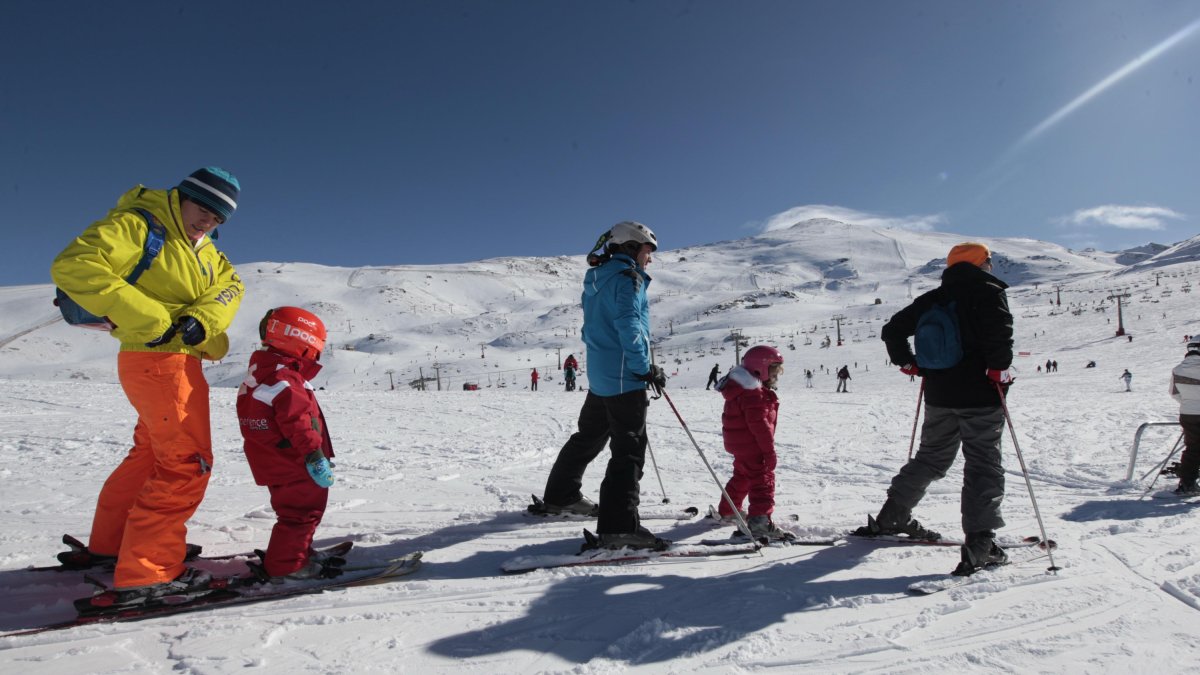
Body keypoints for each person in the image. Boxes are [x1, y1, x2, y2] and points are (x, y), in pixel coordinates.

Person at [51, 167, 245, 603]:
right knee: (185, 463)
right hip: (156, 360)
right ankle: (149, 571)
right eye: (203, 209)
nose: (207, 222)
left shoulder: (207, 251)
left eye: (218, 218)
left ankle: (113, 545)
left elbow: (232, 287)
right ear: (181, 197)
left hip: (180, 361)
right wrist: (153, 319)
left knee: (150, 455)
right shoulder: (139, 224)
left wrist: (203, 319)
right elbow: (75, 265)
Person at [855, 242, 1015, 576]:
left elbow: (892, 330)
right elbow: (1000, 337)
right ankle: (980, 545)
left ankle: (892, 516)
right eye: (989, 261)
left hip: (940, 394)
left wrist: (910, 364)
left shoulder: (935, 297)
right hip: (981, 395)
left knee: (930, 457)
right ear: (982, 263)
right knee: (983, 463)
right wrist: (999, 370)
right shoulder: (988, 291)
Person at [529, 221, 667, 550]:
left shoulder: (597, 277)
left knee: (588, 437)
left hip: (602, 375)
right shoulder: (627, 279)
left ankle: (561, 496)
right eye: (648, 251)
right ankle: (619, 528)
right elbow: (629, 325)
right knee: (628, 452)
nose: (650, 259)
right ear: (632, 247)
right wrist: (643, 368)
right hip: (623, 377)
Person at [237, 307, 340, 581]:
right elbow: (298, 421)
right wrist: (314, 455)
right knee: (301, 514)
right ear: (303, 342)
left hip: (276, 460)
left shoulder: (265, 371)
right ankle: (288, 565)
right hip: (295, 462)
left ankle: (297, 552)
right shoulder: (284, 379)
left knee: (294, 511)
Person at [714, 345, 789, 540]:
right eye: (773, 372)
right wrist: (769, 452)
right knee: (763, 480)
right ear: (760, 369)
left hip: (742, 445)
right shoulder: (752, 394)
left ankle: (729, 509)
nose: (775, 377)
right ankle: (760, 522)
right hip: (753, 445)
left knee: (743, 477)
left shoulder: (742, 388)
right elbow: (759, 426)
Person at [1172, 339, 1200, 494]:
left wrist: (1189, 402)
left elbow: (1174, 393)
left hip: (1188, 413)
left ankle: (1187, 483)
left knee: (1193, 448)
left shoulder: (1177, 369)